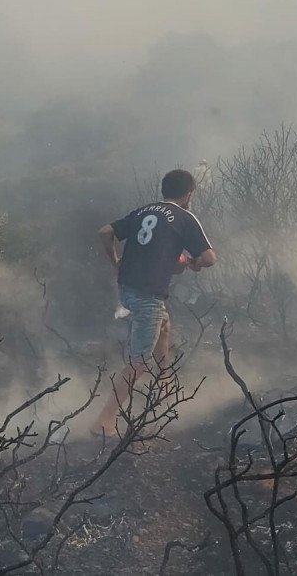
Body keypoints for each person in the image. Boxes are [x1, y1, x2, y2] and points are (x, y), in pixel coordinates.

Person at [94, 169, 217, 433]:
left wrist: (115, 261)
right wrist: (194, 262)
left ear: (163, 190)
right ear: (188, 194)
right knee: (138, 362)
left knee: (163, 324)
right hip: (146, 296)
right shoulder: (184, 217)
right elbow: (209, 259)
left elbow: (105, 232)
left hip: (126, 288)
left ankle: (166, 384)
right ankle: (104, 420)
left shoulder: (143, 211)